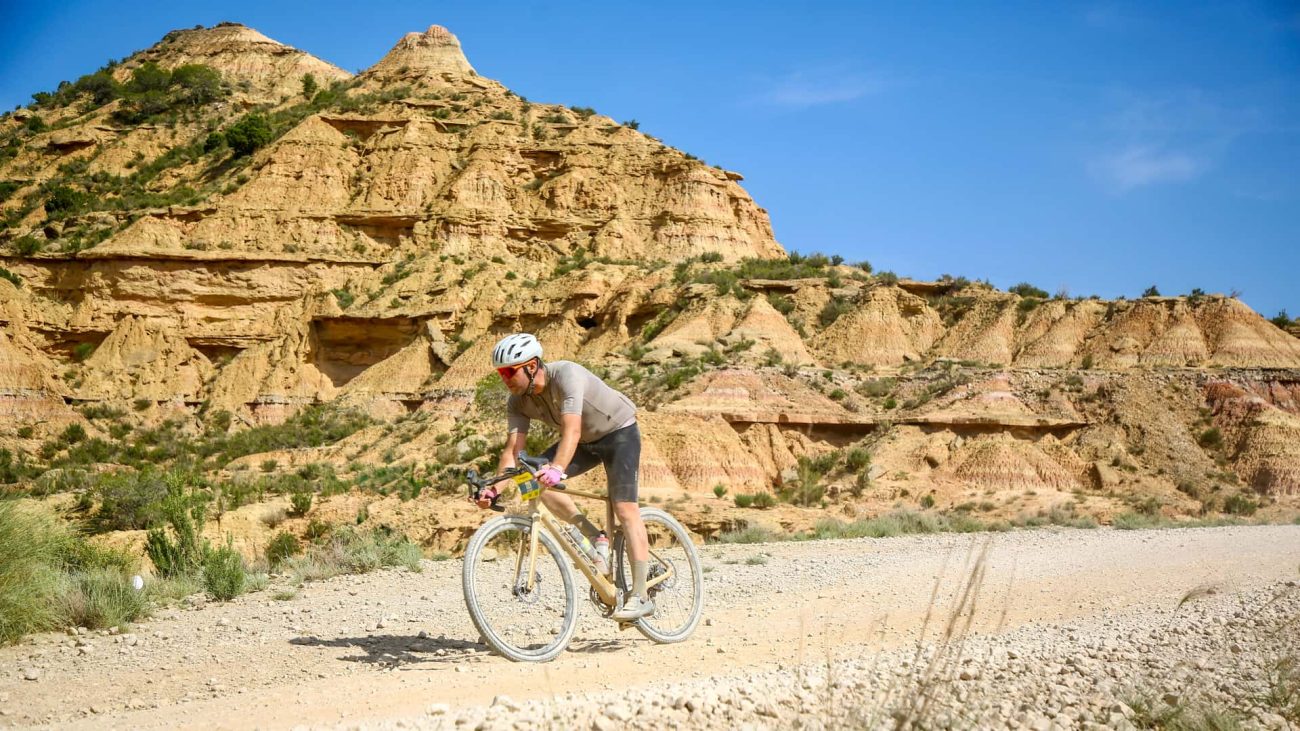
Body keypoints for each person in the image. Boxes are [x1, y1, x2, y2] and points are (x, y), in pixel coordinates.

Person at [476, 333, 654, 621]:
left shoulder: (566, 375)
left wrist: (557, 468)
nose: (504, 378)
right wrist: (494, 488)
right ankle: (596, 537)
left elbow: (571, 430)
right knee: (529, 478)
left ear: (532, 366)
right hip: (584, 444)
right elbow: (513, 451)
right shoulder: (517, 402)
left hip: (619, 433)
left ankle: (641, 594)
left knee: (624, 508)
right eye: (500, 373)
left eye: (509, 371)